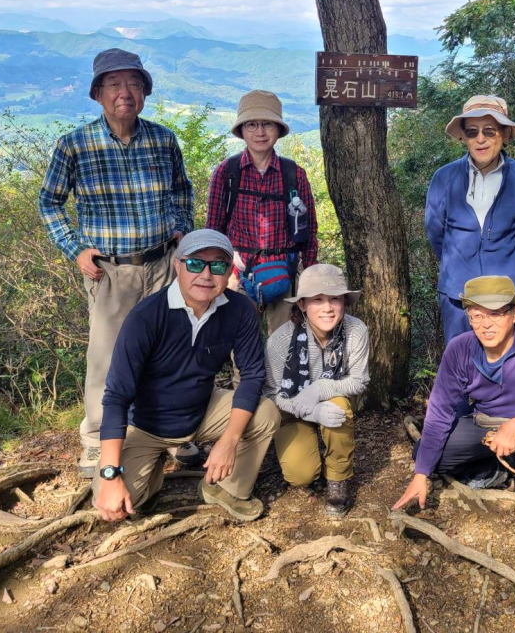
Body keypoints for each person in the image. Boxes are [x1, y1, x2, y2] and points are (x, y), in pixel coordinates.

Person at [38, 48, 196, 478]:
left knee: (170, 349)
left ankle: (173, 432)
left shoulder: (163, 140)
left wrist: (182, 228)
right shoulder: (74, 145)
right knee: (106, 357)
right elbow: (49, 202)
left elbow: (182, 191)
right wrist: (74, 248)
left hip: (164, 262)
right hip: (109, 271)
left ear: (144, 92)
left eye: (133, 84)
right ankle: (94, 440)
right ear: (98, 94)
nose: (124, 92)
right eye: (114, 84)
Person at [91, 230, 281, 523]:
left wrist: (229, 441)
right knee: (118, 505)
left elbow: (253, 375)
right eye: (195, 264)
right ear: (177, 266)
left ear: (229, 270)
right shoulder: (146, 316)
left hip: (200, 410)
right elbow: (116, 397)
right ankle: (152, 467)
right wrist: (109, 473)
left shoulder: (239, 309)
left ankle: (225, 489)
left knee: (266, 412)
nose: (206, 274)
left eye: (218, 265)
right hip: (145, 425)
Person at [393, 276, 515, 533]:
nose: (486, 325)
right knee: (425, 456)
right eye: (476, 315)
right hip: (484, 424)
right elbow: (440, 412)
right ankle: (493, 471)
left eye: (495, 314)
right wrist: (421, 475)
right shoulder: (460, 348)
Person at [425, 95, 515, 345]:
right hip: (458, 293)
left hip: (506, 293)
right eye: (472, 132)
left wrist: (504, 260)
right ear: (463, 137)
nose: (480, 139)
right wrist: (458, 263)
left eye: (489, 131)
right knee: (460, 364)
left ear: (504, 134)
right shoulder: (444, 178)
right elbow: (435, 232)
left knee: (509, 367)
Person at [206, 89, 318, 336]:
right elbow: (213, 231)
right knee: (242, 347)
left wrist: (309, 280)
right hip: (239, 276)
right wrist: (218, 273)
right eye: (252, 125)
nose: (260, 132)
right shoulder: (227, 173)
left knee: (286, 348)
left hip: (285, 272)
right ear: (242, 130)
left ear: (278, 129)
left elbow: (309, 231)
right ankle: (243, 378)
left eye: (267, 124)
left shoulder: (294, 174)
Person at [264, 264, 369, 518]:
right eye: (317, 300)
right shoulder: (280, 340)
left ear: (344, 302)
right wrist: (311, 411)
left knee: (339, 406)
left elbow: (359, 381)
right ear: (302, 305)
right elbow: (273, 393)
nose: (327, 308)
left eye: (335, 299)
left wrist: (321, 387)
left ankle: (338, 479)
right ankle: (308, 450)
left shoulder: (356, 331)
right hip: (290, 410)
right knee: (301, 475)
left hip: (333, 402)